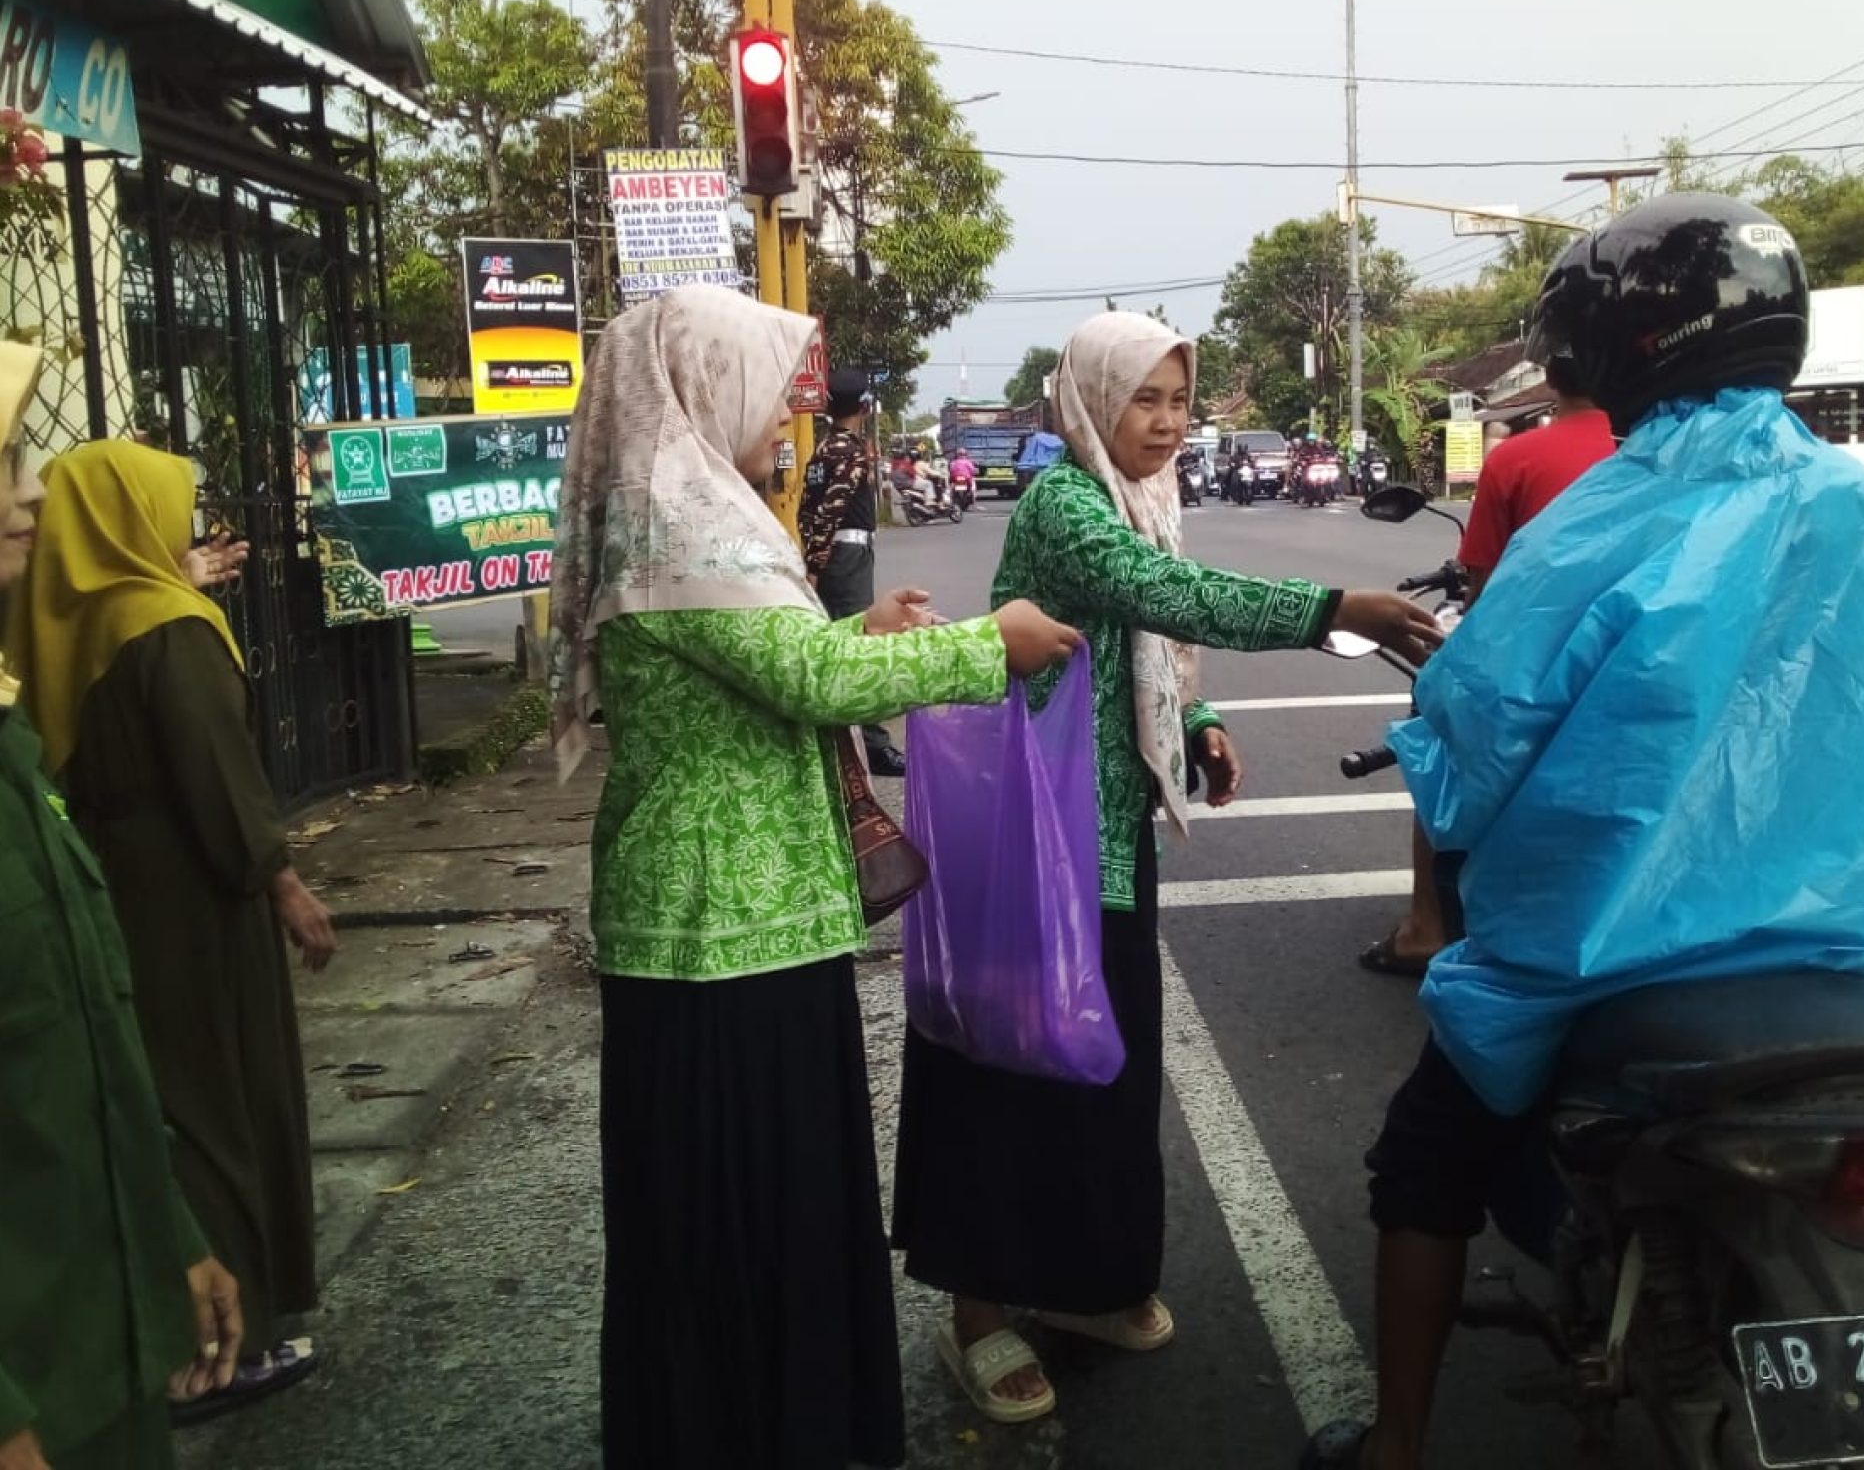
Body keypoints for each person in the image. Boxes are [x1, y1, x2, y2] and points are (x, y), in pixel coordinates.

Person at [1303, 195, 1864, 1470]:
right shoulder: (1854, 498)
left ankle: (1394, 1443)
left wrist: (1441, 764)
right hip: (1852, 948)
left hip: (1606, 959)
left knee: (1422, 1162)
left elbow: (1474, 738)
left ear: (1617, 349)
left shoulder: (1602, 515)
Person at [546, 285, 1080, 1470]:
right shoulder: (681, 520)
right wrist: (986, 645)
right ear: (701, 384)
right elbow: (797, 682)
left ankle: (758, 1419)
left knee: (755, 1201)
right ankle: (745, 1427)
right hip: (715, 925)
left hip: (751, 913)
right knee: (737, 1208)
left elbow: (762, 668)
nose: (783, 415)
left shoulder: (687, 508)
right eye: (766, 385)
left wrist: (866, 632)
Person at [891, 311, 1442, 1425]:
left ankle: (1087, 1282)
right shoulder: (1063, 504)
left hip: (1109, 836)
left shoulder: (1144, 499)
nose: (1167, 422)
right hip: (1035, 840)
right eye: (1144, 397)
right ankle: (979, 1312)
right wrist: (1334, 607)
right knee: (1014, 1070)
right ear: (1087, 399)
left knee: (1104, 1070)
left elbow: (1156, 640)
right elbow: (1169, 597)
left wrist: (1201, 714)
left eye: (1180, 401)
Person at [5, 441, 336, 1420]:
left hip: (118, 891)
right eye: (174, 506)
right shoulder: (166, 628)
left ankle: (178, 1325)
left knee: (165, 1092)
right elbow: (214, 770)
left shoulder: (67, 611)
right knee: (225, 1101)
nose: (187, 523)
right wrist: (280, 877)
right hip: (200, 898)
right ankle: (230, 1338)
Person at [0, 364, 245, 1470]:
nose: (30, 498)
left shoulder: (13, 720)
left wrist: (172, 1241)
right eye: (4, 467)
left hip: (98, 1342)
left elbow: (90, 1050)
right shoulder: (159, 628)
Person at [1357, 359, 1615, 977]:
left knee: (1434, 734)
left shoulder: (1519, 456)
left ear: (1552, 372)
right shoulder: (1665, 450)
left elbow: (1484, 594)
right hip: (1645, 669)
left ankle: (1426, 925)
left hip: (1534, 670)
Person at [801, 367, 906, 775]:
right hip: (846, 558)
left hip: (834, 557)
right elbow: (830, 510)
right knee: (860, 640)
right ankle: (874, 745)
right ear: (863, 407)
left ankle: (840, 737)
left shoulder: (823, 450)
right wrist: (815, 564)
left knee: (838, 637)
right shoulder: (848, 451)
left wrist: (812, 555)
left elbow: (808, 512)